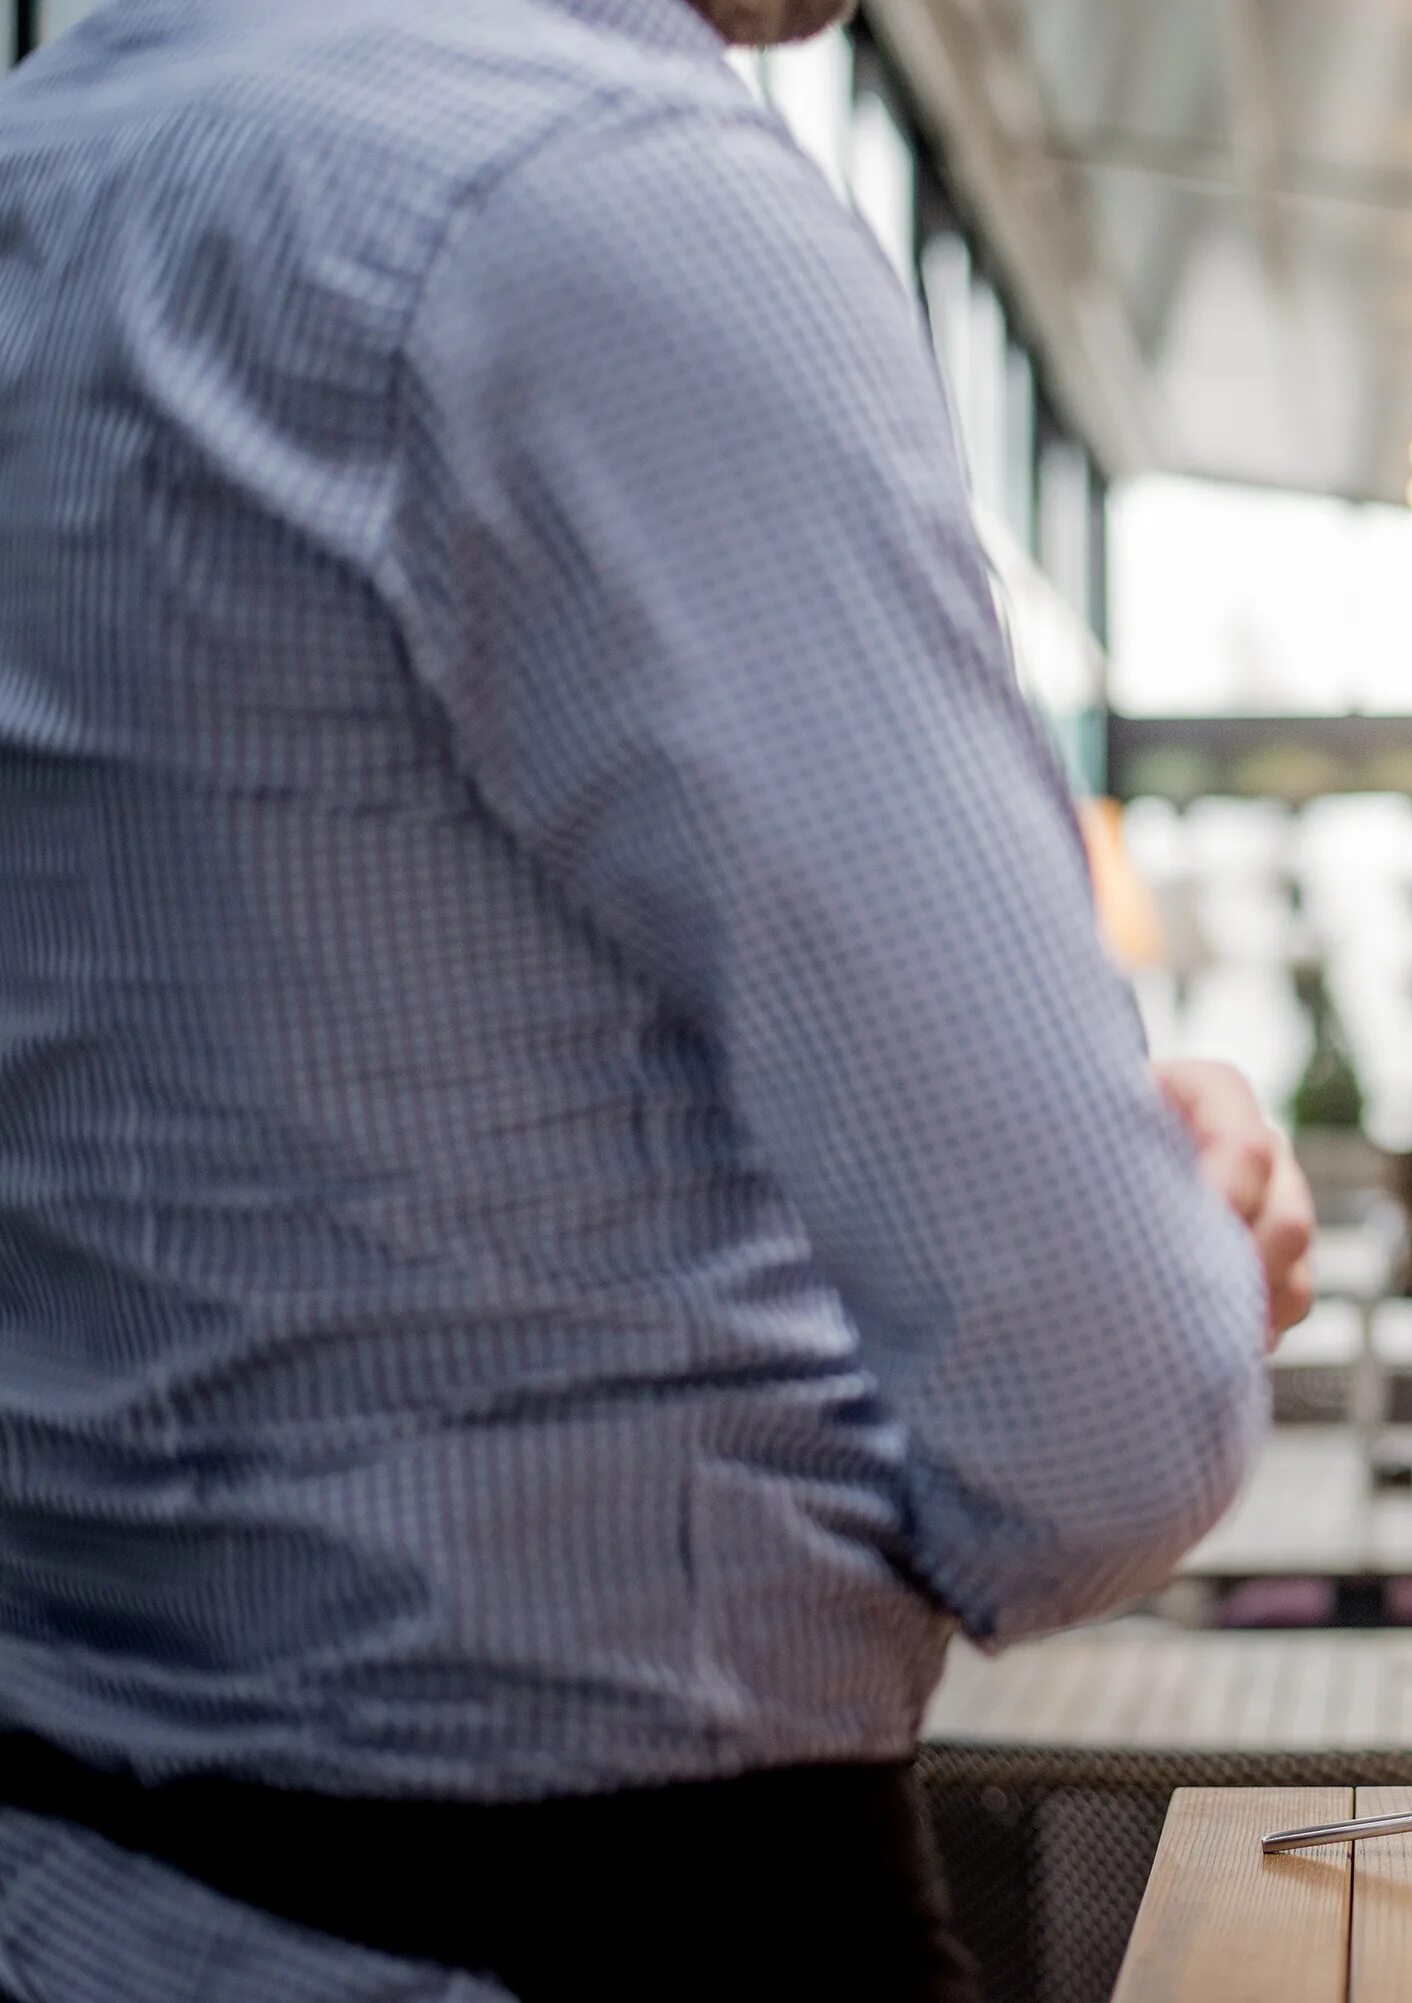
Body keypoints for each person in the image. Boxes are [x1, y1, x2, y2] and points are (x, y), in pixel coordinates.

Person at [0, 0, 1306, 1995]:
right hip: (614, 1909)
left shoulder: (58, 163)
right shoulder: (596, 204)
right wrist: (1178, 1256)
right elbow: (1100, 1432)